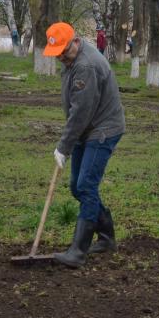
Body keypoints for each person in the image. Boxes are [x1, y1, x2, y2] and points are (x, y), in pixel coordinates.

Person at [46, 21, 125, 267]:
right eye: (56, 54)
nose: (60, 57)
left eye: (63, 52)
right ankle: (106, 237)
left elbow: (80, 112)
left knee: (86, 186)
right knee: (76, 187)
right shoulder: (73, 60)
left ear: (76, 42)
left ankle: (78, 251)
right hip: (86, 130)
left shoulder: (85, 66)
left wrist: (64, 146)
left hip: (102, 130)